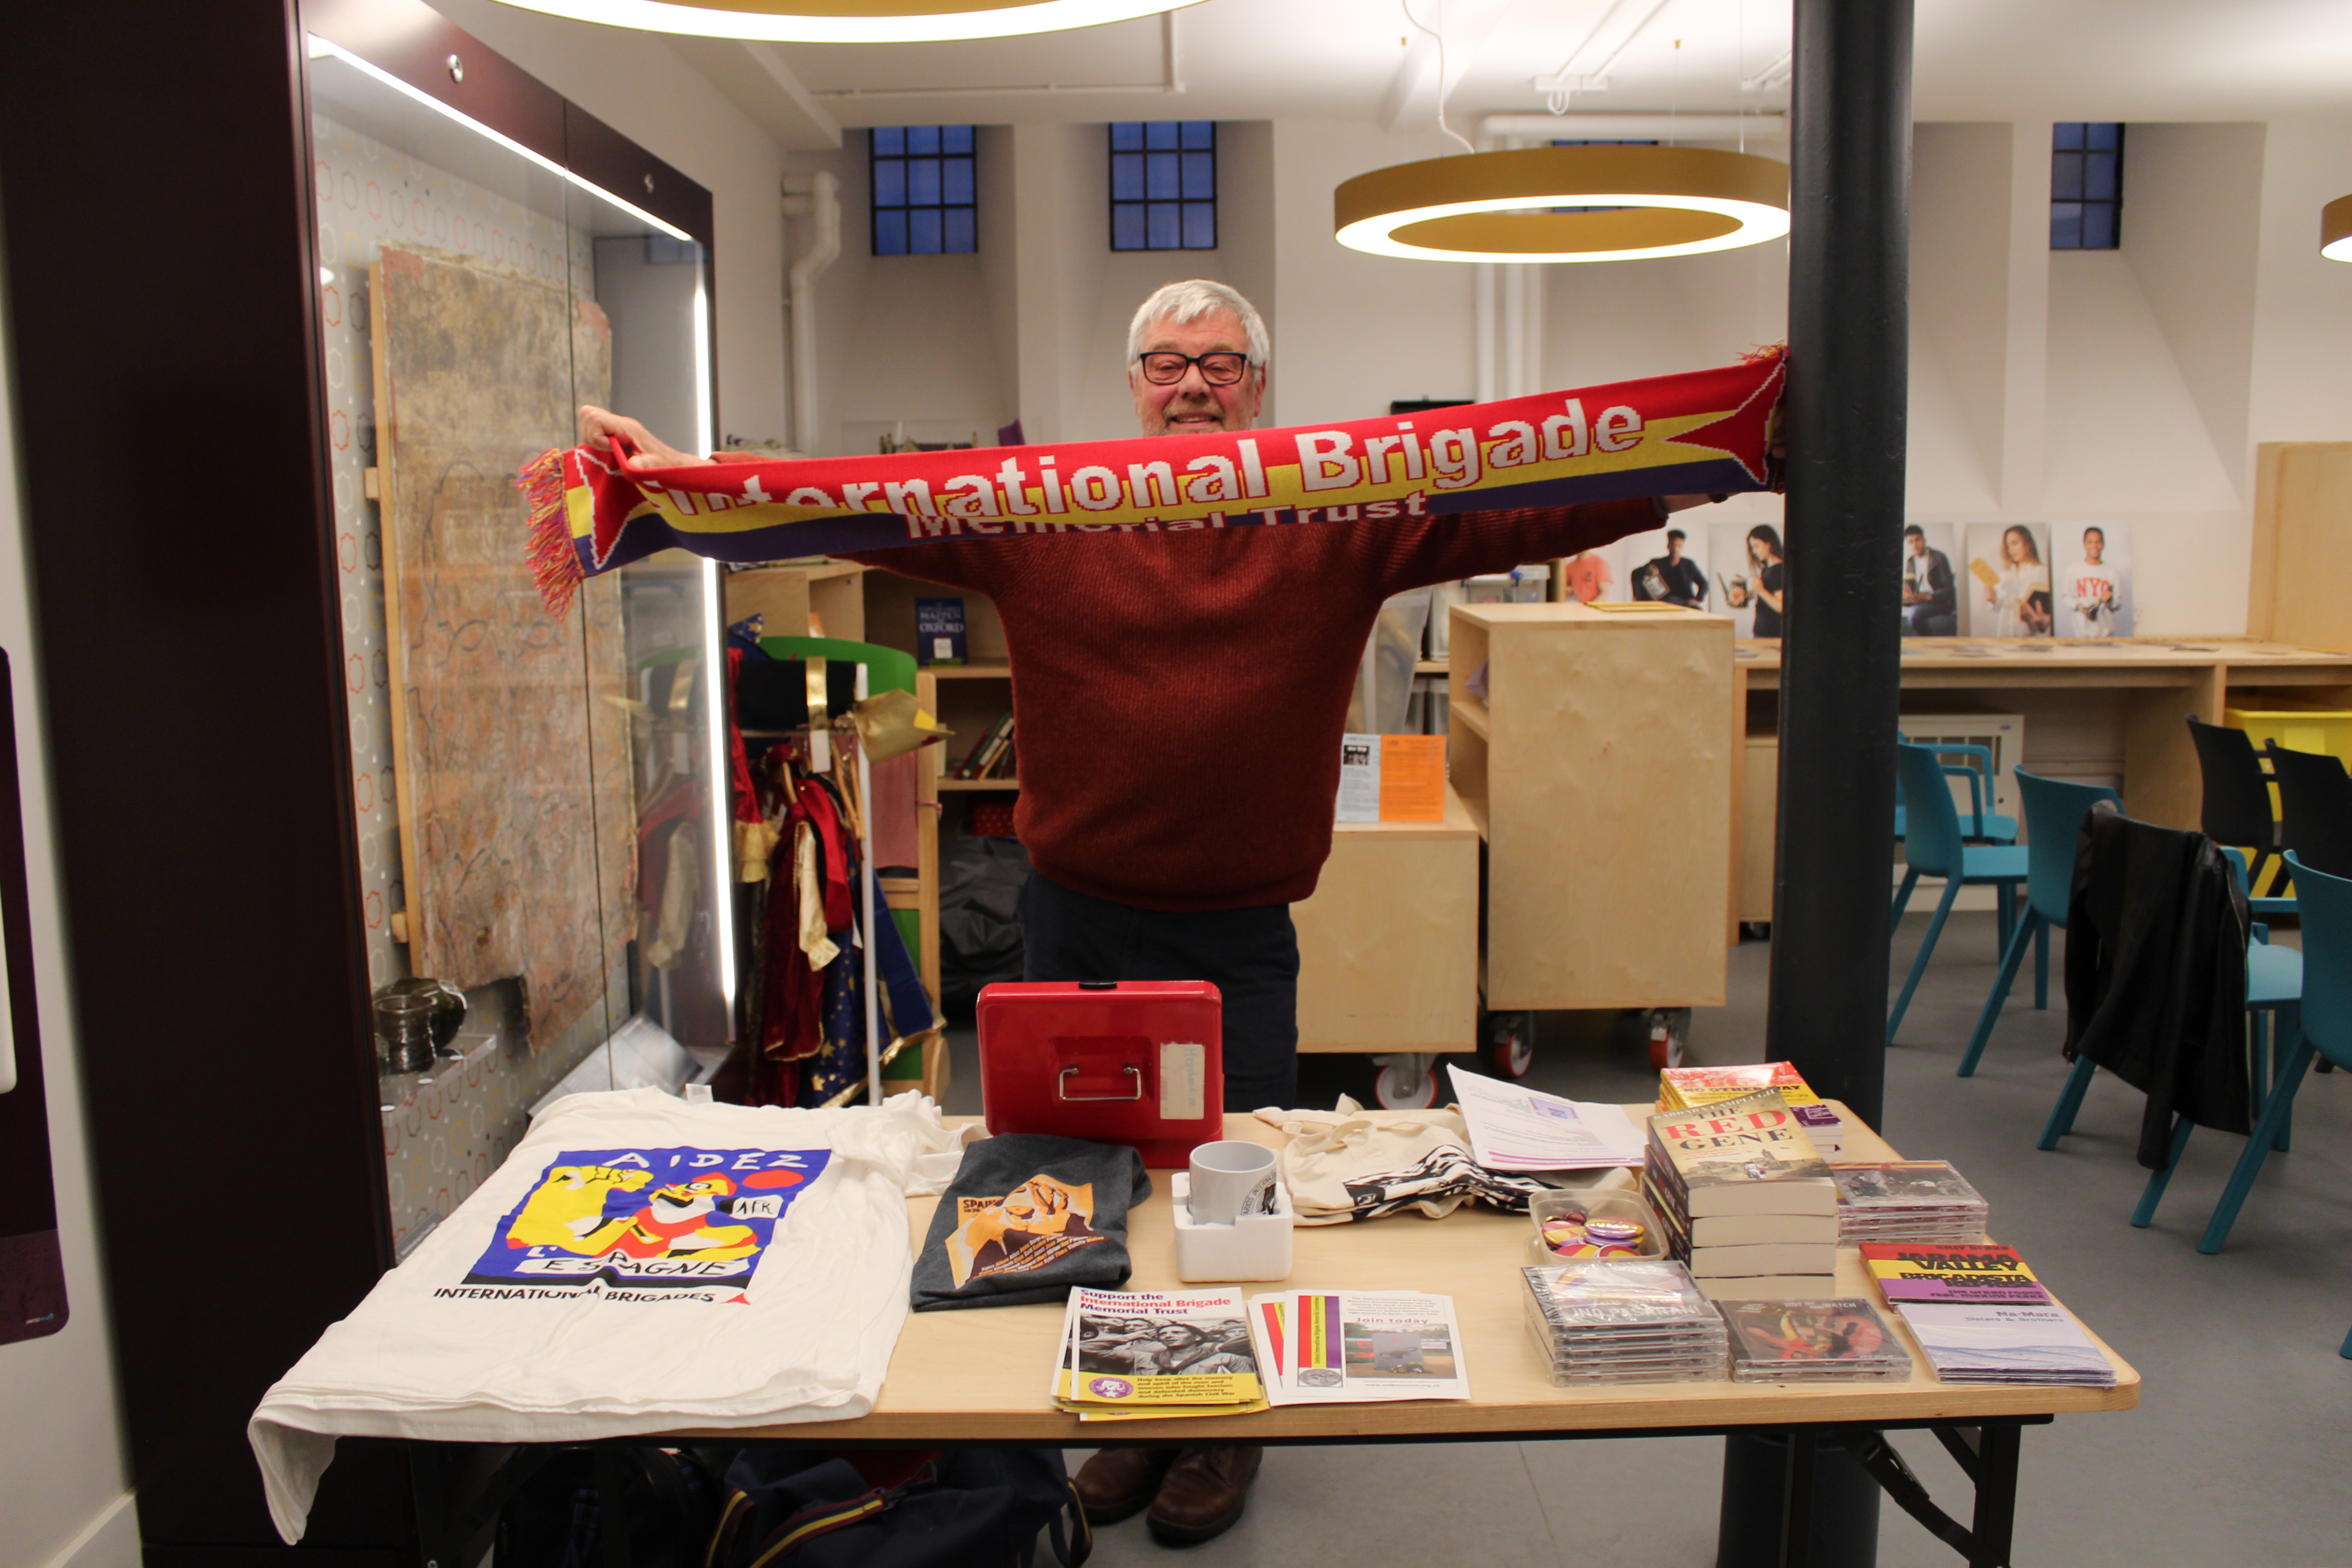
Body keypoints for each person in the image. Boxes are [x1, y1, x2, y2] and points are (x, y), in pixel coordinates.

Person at [578, 278, 1724, 1547]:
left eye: (1222, 364)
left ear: (1259, 386)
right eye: (1167, 362)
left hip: (1238, 938)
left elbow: (1528, 496)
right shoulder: (1040, 514)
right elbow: (854, 504)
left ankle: (1216, 1433)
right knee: (1070, 1182)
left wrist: (1725, 448)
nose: (1192, 383)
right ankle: (1128, 1410)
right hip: (1073, 924)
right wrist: (677, 479)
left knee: (1226, 1190)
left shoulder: (1340, 515)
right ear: (1131, 383)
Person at [1981, 524, 2050, 637]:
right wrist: (1993, 599)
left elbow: (2046, 608)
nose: (2011, 550)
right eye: (2008, 546)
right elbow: (1999, 607)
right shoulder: (2006, 573)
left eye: (2015, 544)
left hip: (2031, 635)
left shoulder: (2042, 571)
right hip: (2006, 633)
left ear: (2028, 544)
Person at [1722, 523, 1786, 636]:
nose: (1755, 552)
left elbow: (1782, 606)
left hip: (1772, 634)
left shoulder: (1779, 571)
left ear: (1769, 544)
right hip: (1763, 631)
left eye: (1757, 546)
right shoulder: (1767, 569)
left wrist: (1761, 591)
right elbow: (1766, 596)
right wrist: (1746, 595)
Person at [1901, 524, 1957, 636]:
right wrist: (1908, 596)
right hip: (1920, 600)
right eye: (1911, 542)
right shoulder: (1911, 562)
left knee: (1914, 614)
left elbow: (1949, 590)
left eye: (1918, 540)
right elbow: (1909, 586)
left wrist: (1928, 597)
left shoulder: (1939, 558)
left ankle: (1927, 640)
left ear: (1924, 540)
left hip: (1939, 601)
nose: (1915, 545)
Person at [2066, 525, 2121, 637]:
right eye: (2090, 542)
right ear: (2084, 544)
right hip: (2082, 634)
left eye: (2098, 542)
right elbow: (2067, 597)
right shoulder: (2074, 570)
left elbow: (2118, 604)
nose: (2094, 546)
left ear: (2103, 544)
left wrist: (2110, 601)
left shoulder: (2111, 572)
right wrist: (2080, 607)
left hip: (2106, 635)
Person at [1633, 528, 1708, 607]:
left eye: (1679, 546)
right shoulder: (1657, 563)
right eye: (1673, 545)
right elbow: (1636, 574)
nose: (1676, 549)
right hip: (1662, 603)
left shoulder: (1689, 565)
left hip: (1684, 603)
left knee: (1698, 612)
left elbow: (1704, 583)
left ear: (1682, 548)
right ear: (1668, 546)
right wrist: (1646, 571)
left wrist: (1698, 599)